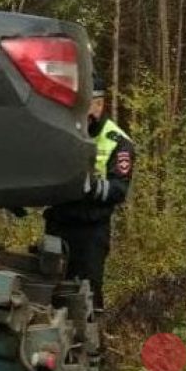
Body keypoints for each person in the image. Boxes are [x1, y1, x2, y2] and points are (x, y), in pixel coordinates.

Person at [44, 75, 135, 310]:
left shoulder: (118, 141)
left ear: (99, 104)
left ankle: (91, 345)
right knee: (48, 289)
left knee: (88, 296)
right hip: (58, 222)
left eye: (85, 104)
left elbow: (119, 189)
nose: (79, 112)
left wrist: (91, 187)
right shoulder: (65, 130)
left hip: (91, 230)